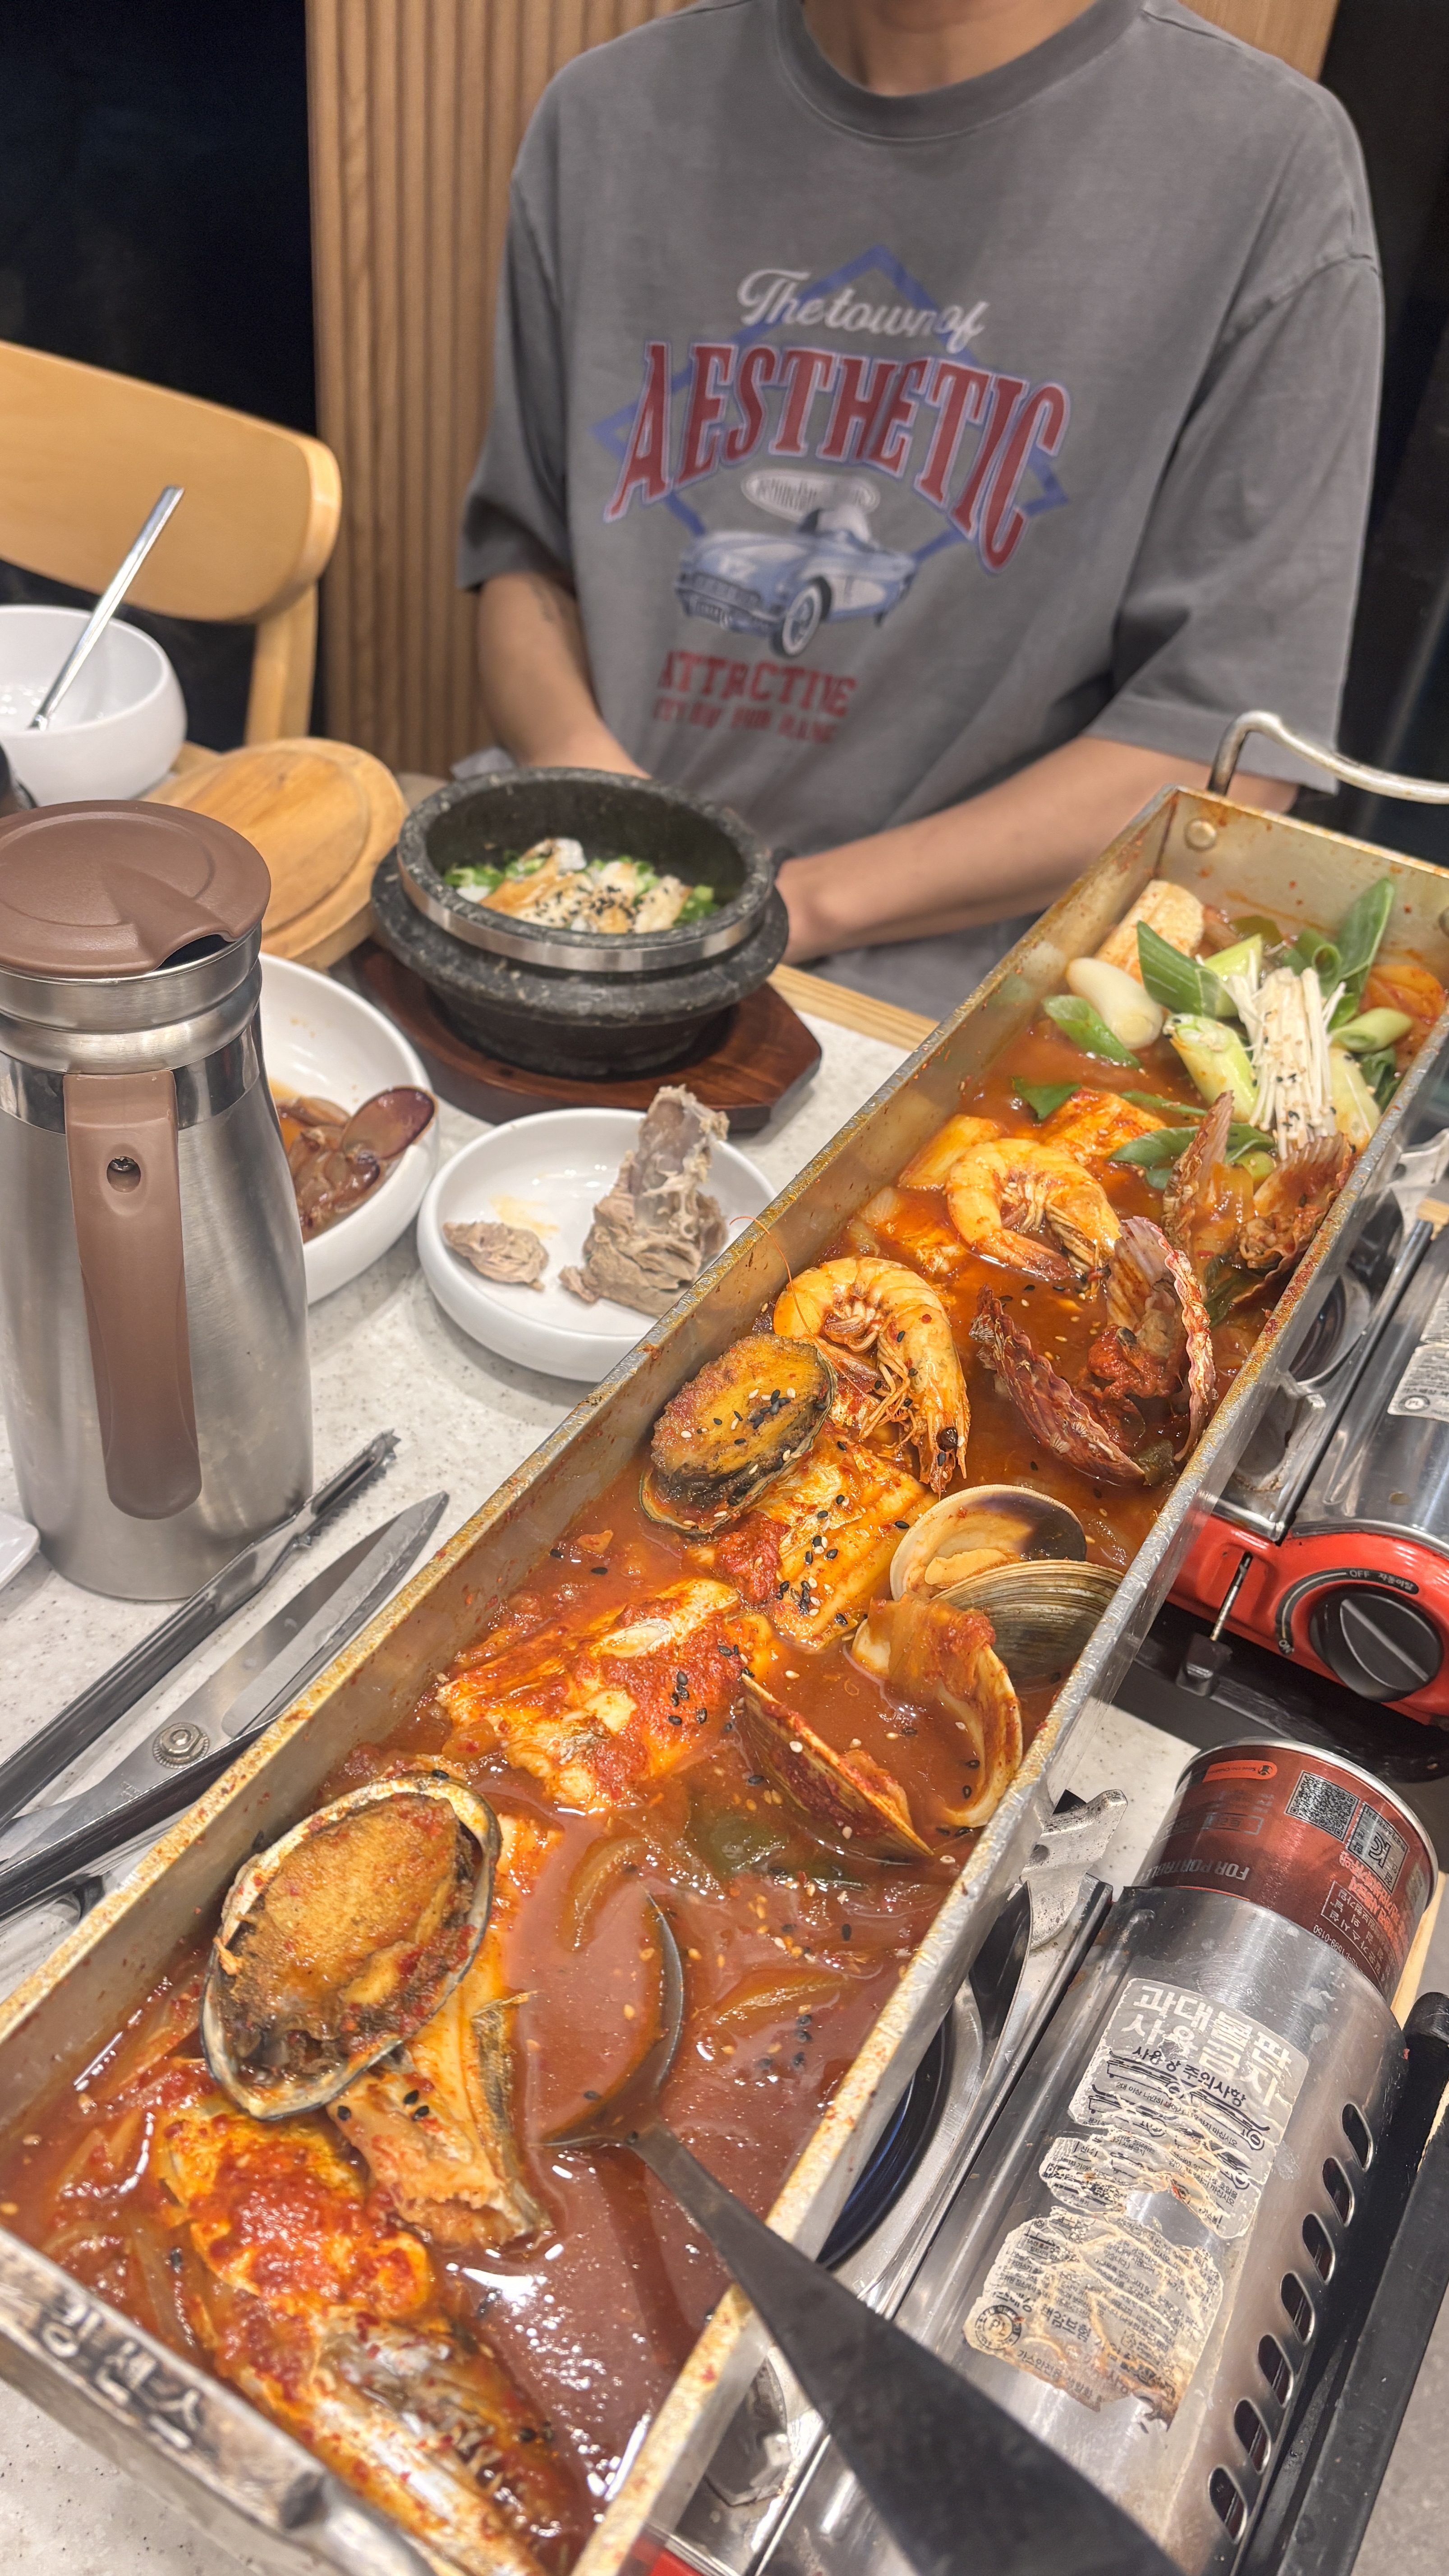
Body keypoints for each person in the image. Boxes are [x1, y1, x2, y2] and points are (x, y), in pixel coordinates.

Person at [459, 0, 1381, 1017]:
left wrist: (777, 910)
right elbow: (525, 559)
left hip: (954, 1004)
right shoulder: (606, 116)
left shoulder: (1263, 167)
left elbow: (1226, 756)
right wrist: (621, 833)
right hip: (574, 899)